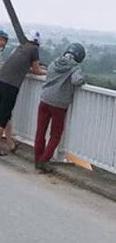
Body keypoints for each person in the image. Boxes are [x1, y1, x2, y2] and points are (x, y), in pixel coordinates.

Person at [0, 30, 47, 156]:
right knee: (2, 118)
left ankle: (10, 143)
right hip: (10, 86)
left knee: (6, 115)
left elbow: (25, 66)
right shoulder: (33, 50)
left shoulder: (20, 48)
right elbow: (36, 70)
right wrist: (47, 73)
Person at [34, 43, 85, 173]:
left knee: (40, 131)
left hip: (44, 99)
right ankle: (44, 160)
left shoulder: (54, 63)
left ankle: (37, 158)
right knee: (55, 135)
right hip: (59, 105)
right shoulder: (75, 68)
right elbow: (76, 81)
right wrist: (83, 79)